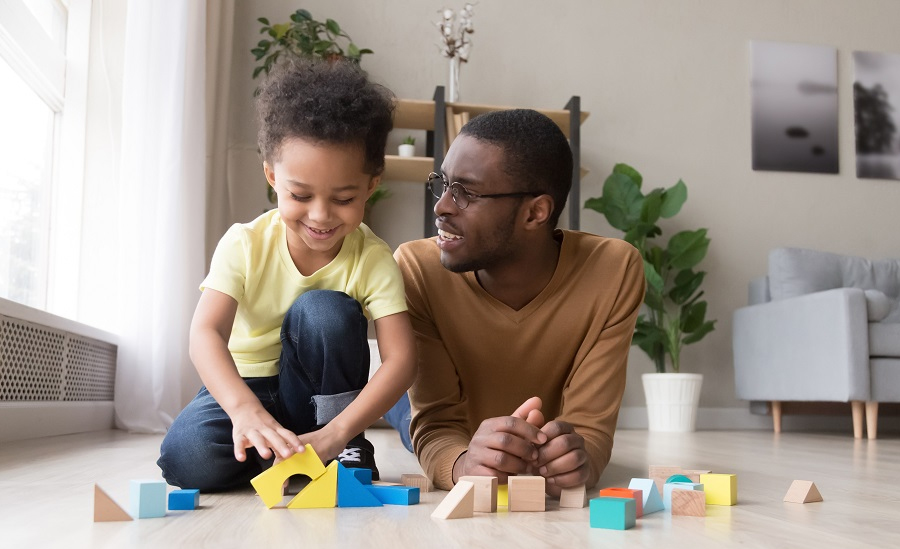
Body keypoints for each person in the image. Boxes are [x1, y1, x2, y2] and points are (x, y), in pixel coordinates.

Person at [158, 58, 416, 491]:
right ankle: (278, 452)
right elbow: (205, 332)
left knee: (324, 311)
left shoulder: (372, 258)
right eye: (300, 195)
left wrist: (338, 431)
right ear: (272, 177)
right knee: (188, 461)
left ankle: (338, 444)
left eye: (344, 198)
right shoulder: (245, 243)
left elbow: (402, 360)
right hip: (247, 386)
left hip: (322, 402)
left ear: (371, 186)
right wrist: (242, 409)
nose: (320, 215)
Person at [394, 109, 645, 497]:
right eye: (443, 184)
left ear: (535, 212)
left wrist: (576, 462)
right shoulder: (417, 268)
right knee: (397, 402)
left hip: (523, 442)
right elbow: (436, 422)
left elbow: (590, 431)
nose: (441, 206)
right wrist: (461, 464)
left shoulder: (613, 270)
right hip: (439, 413)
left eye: (466, 193)